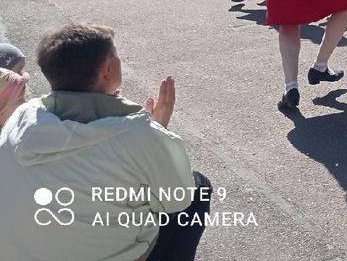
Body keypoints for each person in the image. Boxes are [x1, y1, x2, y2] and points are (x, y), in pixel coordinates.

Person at [0, 23, 211, 261]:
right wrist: (159, 131)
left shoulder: (21, 117)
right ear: (108, 70)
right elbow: (176, 201)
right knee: (199, 188)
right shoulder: (142, 135)